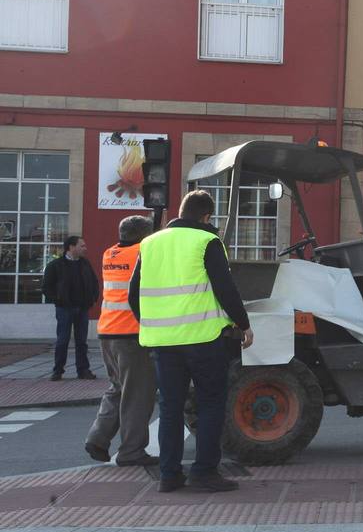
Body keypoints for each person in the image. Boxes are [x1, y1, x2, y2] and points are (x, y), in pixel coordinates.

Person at [130, 190, 253, 493]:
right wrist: (244, 324)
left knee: (170, 408)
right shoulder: (207, 242)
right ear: (206, 217)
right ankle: (204, 472)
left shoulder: (149, 243)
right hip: (203, 339)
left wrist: (153, 322)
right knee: (210, 403)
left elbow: (134, 295)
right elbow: (225, 288)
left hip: (162, 342)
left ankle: (169, 475)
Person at [85, 215, 159, 467]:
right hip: (131, 334)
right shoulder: (144, 253)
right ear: (144, 235)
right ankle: (132, 451)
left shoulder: (110, 254)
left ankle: (98, 437)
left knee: (117, 388)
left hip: (107, 331)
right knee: (138, 394)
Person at [41, 235, 98, 381]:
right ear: (71, 247)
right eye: (82, 246)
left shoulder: (85, 264)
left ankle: (83, 370)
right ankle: (58, 371)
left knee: (82, 342)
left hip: (82, 308)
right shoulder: (55, 265)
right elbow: (46, 287)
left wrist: (92, 298)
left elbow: (94, 282)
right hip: (64, 309)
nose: (85, 248)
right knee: (63, 340)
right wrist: (58, 300)